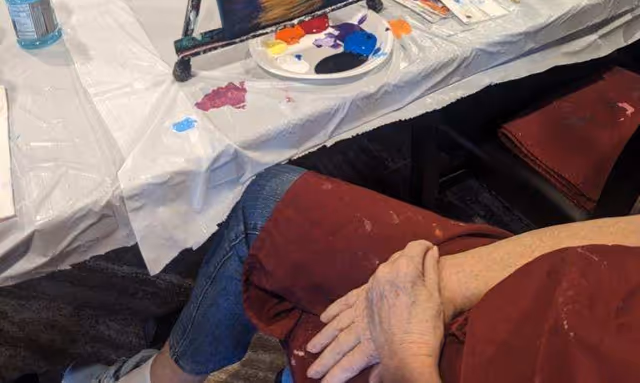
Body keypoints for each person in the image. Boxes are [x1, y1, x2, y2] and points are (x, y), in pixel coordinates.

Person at [65, 165, 640, 383]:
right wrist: (453, 280)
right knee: (272, 202)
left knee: (328, 345)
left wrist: (407, 356)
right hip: (567, 287)